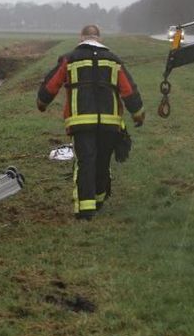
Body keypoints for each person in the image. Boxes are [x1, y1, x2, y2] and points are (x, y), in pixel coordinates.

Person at [37, 25, 144, 220]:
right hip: (110, 123)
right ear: (99, 39)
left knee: (86, 161)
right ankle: (99, 200)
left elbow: (51, 84)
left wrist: (42, 102)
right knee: (103, 161)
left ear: (81, 38)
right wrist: (138, 113)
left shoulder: (70, 58)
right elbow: (129, 89)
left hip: (81, 122)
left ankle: (85, 210)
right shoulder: (114, 60)